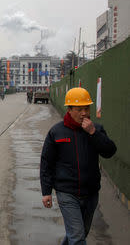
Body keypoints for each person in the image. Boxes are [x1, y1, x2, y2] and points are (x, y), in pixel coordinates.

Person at [40, 87, 116, 245]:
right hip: (67, 193)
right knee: (77, 237)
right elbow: (46, 163)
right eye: (79, 109)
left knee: (79, 233)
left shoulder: (96, 130)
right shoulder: (57, 132)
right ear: (69, 110)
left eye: (87, 108)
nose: (84, 113)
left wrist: (93, 133)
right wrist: (46, 192)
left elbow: (109, 151)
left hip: (91, 193)